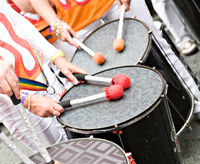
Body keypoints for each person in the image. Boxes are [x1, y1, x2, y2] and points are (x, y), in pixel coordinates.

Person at [14, 0, 200, 120]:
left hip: (113, 3)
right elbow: (27, 4)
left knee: (157, 45)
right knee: (108, 79)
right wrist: (55, 22)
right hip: (75, 22)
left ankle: (196, 101)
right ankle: (155, 126)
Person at [0, 1, 86, 152]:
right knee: (64, 156)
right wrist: (27, 100)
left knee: (83, 135)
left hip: (43, 75)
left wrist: (56, 57)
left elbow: (16, 21)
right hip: (14, 102)